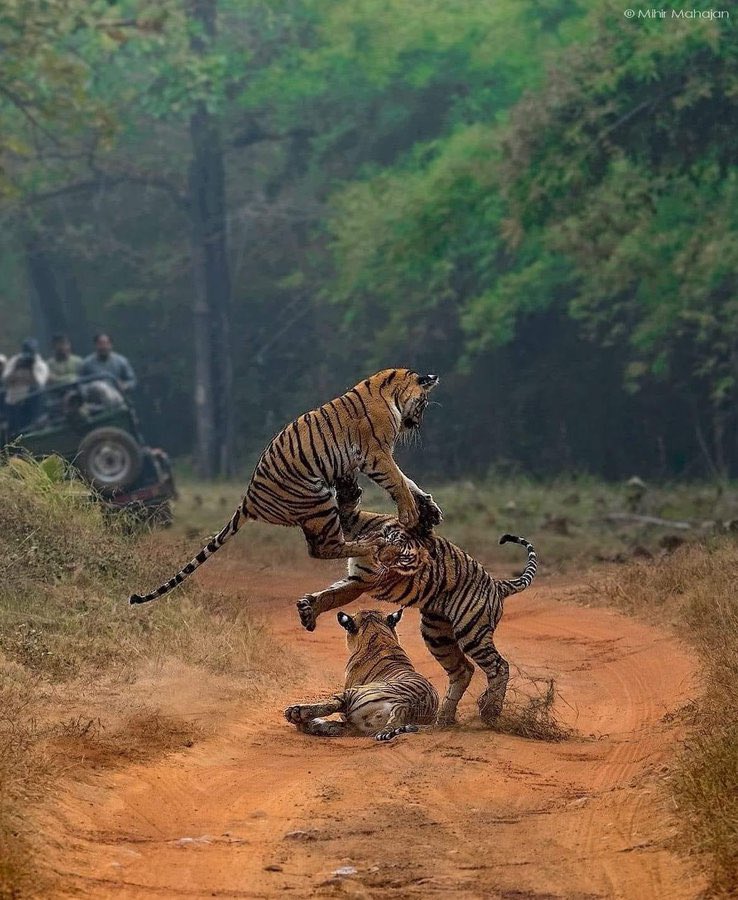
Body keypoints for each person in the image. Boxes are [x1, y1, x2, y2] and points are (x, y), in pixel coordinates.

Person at [2, 338, 49, 433]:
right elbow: (5, 379)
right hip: (13, 402)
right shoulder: (15, 361)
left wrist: (31, 369)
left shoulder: (40, 364)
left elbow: (40, 385)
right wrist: (16, 367)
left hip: (31, 403)